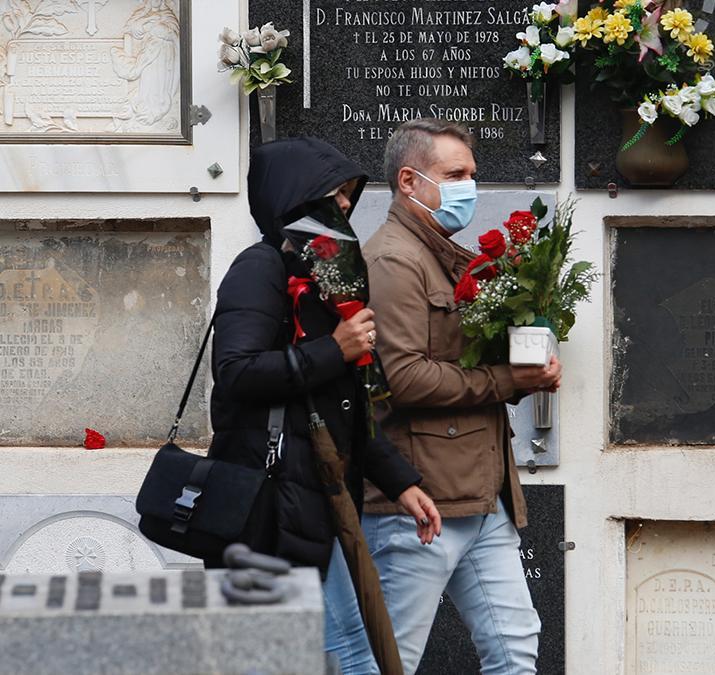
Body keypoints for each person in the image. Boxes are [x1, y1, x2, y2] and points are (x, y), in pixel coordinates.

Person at [209, 137, 442, 675]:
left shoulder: (324, 281)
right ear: (294, 197)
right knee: (348, 654)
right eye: (331, 195)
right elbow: (236, 372)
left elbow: (344, 407)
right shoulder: (260, 267)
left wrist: (401, 482)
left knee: (326, 653)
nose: (343, 207)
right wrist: (334, 348)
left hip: (317, 494)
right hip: (272, 501)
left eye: (346, 196)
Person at [362, 118, 561, 674]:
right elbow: (403, 378)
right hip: (420, 503)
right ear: (409, 181)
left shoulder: (446, 254)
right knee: (389, 661)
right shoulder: (393, 261)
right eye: (455, 174)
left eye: (472, 173)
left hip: (480, 495)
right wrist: (508, 381)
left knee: (516, 650)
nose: (469, 186)